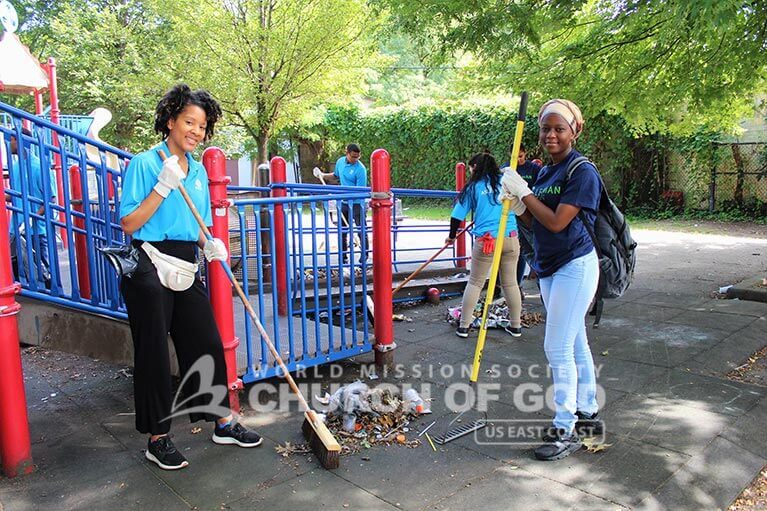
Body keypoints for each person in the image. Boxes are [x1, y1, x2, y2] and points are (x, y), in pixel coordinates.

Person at [119, 84, 261, 471]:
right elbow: (130, 222)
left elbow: (194, 222)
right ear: (170, 120)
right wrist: (162, 187)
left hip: (185, 262)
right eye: (189, 122)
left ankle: (222, 422)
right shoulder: (146, 164)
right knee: (153, 353)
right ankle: (157, 438)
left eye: (202, 126)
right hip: (148, 263)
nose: (196, 131)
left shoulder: (197, 170)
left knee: (206, 341)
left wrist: (210, 243)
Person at [501, 99, 602, 461]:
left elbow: (559, 222)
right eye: (546, 128)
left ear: (575, 130)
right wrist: (519, 206)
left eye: (559, 128)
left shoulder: (582, 172)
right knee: (575, 343)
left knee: (556, 347)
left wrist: (525, 193)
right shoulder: (546, 172)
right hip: (549, 265)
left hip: (576, 264)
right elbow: (539, 222)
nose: (551, 135)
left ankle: (565, 428)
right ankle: (587, 411)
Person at [446, 152, 522, 338]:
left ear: (476, 168)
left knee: (475, 282)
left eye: (472, 168)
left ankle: (464, 326)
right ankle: (516, 325)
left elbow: (456, 216)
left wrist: (451, 237)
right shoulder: (506, 180)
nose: (471, 172)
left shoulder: (474, 187)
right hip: (510, 238)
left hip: (487, 240)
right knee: (510, 283)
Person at [4, 127, 55, 289]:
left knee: (41, 269)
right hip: (16, 227)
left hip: (35, 229)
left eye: (10, 140)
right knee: (17, 268)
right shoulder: (16, 165)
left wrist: (31, 219)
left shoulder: (39, 166)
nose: (8, 144)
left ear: (17, 140)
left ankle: (48, 298)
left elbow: (49, 198)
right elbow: (17, 193)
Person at [315, 144, 369, 265]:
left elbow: (360, 190)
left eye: (358, 157)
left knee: (361, 230)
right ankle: (343, 257)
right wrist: (323, 175)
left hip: (357, 204)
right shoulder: (340, 162)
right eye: (353, 156)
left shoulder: (361, 169)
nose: (356, 159)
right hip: (344, 203)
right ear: (347, 153)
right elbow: (335, 176)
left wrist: (342, 194)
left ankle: (364, 256)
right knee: (342, 230)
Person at [512, 145, 542, 290]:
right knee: (521, 249)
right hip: (514, 213)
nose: (518, 160)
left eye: (521, 156)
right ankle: (517, 285)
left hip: (529, 211)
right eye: (515, 157)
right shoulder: (508, 169)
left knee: (534, 244)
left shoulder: (533, 169)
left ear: (525, 154)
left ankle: (537, 273)